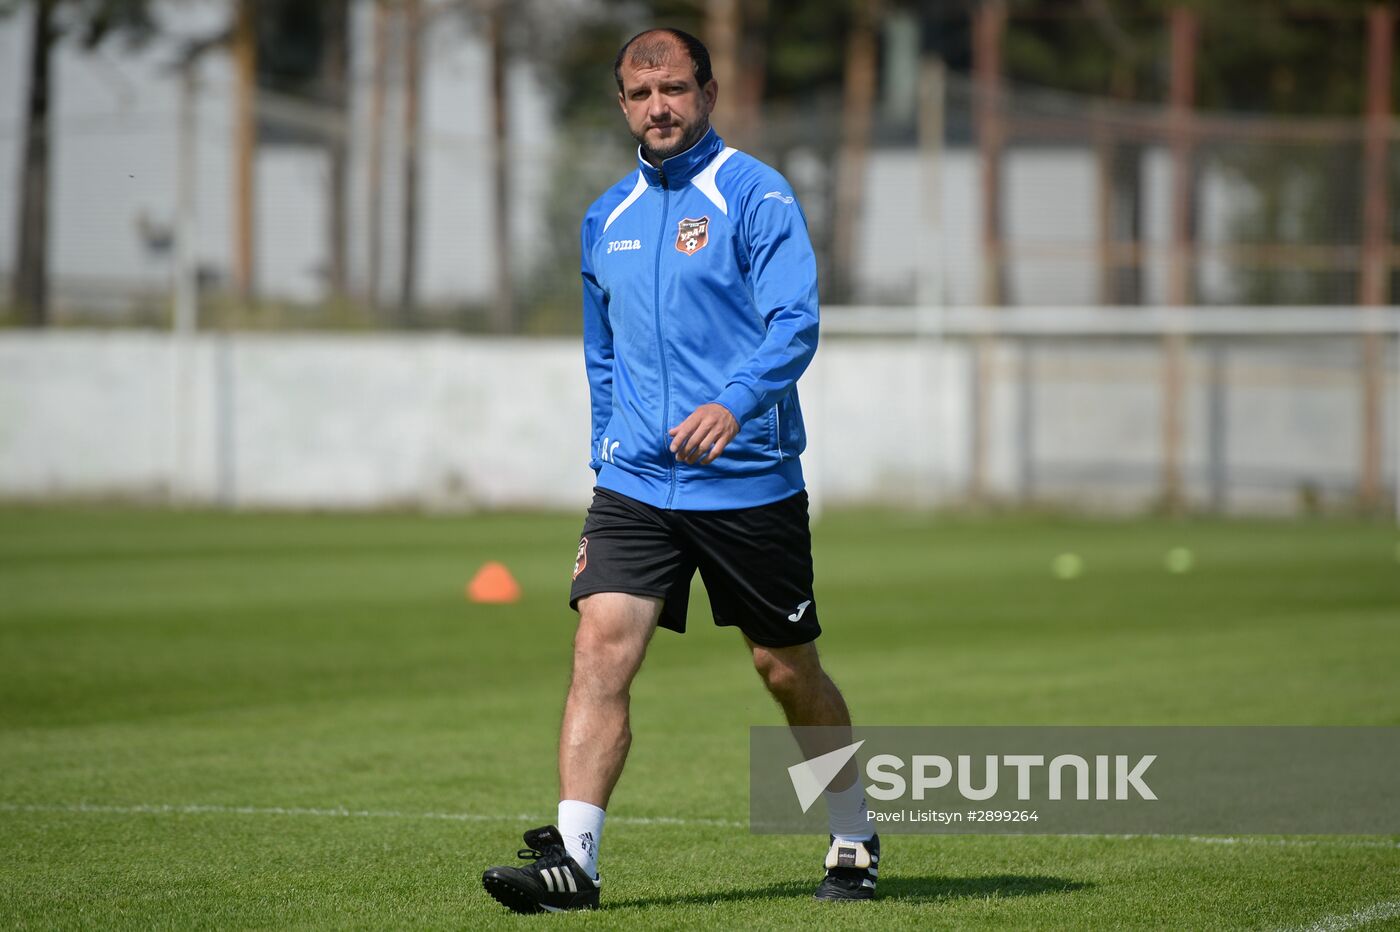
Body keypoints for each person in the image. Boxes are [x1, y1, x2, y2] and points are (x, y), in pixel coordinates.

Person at [481, 27, 877, 914]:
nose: (658, 106)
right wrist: (606, 445)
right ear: (622, 104)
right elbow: (602, 355)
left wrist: (733, 405)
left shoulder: (755, 195)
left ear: (706, 91)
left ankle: (850, 823)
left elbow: (794, 326)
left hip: (748, 480)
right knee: (600, 648)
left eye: (673, 89)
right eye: (639, 92)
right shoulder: (606, 217)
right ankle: (575, 866)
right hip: (634, 488)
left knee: (785, 670)